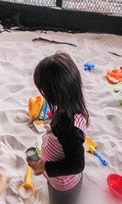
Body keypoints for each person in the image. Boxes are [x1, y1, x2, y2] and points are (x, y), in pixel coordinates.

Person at [26, 52, 89, 204]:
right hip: (56, 176)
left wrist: (45, 166)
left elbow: (77, 164)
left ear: (57, 93)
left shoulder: (70, 128)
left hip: (64, 185)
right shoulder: (69, 105)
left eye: (45, 91)